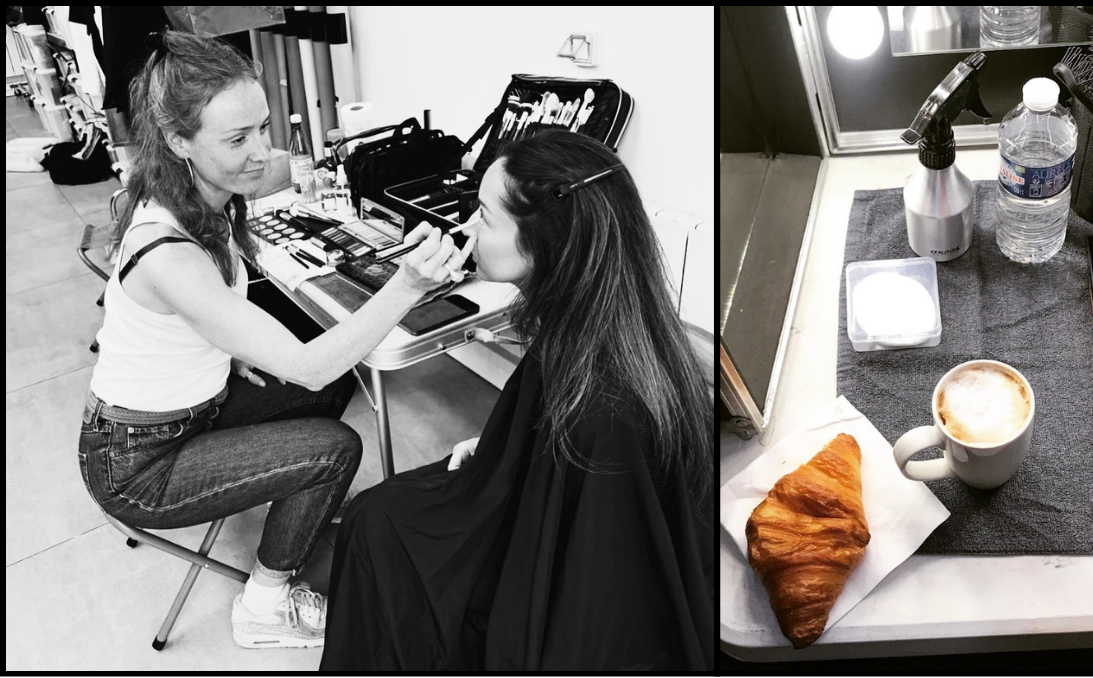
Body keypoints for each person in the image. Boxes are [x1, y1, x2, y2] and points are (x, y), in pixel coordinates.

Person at [76, 30, 470, 649]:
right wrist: (407, 284)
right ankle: (263, 607)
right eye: (238, 139)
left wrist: (227, 352)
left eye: (262, 127)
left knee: (341, 377)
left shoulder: (201, 198)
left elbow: (198, 320)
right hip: (137, 463)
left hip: (189, 410)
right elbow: (306, 365)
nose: (263, 151)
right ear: (179, 141)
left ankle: (296, 502)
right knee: (334, 444)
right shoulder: (167, 247)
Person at [319, 130, 715, 671]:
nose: (467, 230)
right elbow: (550, 442)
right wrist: (502, 445)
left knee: (375, 527)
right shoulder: (602, 321)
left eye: (484, 215)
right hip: (529, 492)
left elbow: (590, 601)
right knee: (377, 513)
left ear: (546, 239)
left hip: (545, 569)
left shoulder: (606, 408)